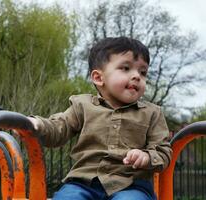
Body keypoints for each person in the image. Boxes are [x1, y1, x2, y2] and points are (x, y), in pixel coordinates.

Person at [28, 37, 172, 200]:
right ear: (98, 77)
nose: (137, 76)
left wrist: (146, 157)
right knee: (68, 198)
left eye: (143, 72)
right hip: (83, 183)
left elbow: (163, 151)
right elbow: (59, 128)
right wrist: (37, 124)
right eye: (125, 68)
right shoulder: (82, 106)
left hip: (130, 185)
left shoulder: (152, 113)